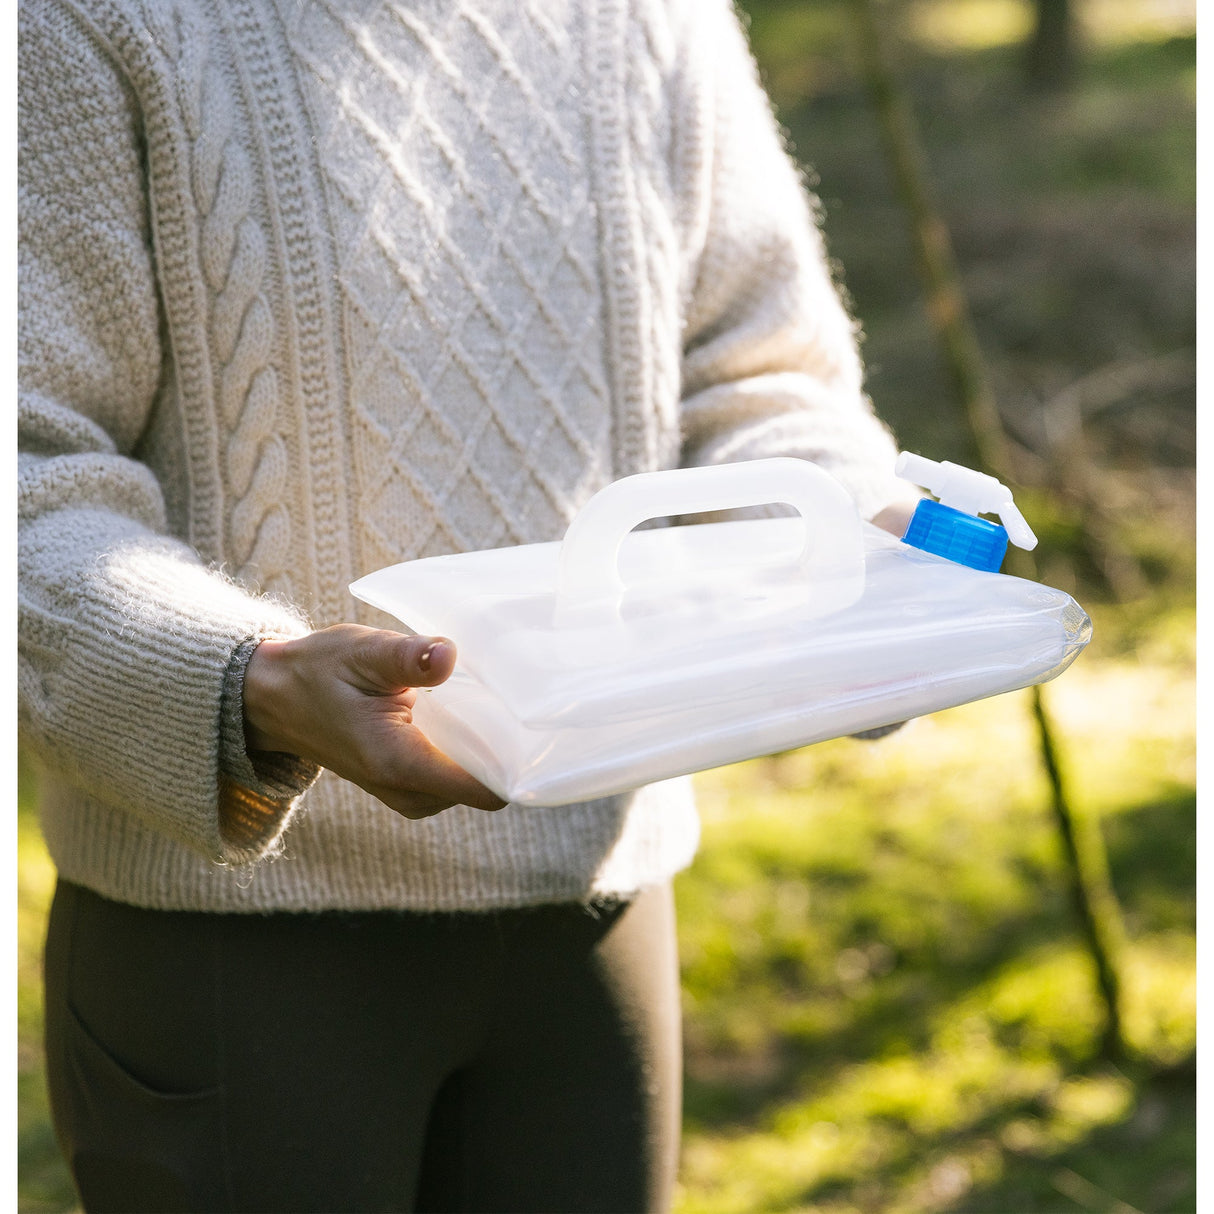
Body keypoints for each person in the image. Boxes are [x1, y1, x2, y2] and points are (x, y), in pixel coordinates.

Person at [18, 0, 917, 1210]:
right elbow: (26, 469)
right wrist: (251, 679)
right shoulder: (83, 23)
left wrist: (850, 539)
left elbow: (761, 384)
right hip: (228, 947)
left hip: (594, 907)